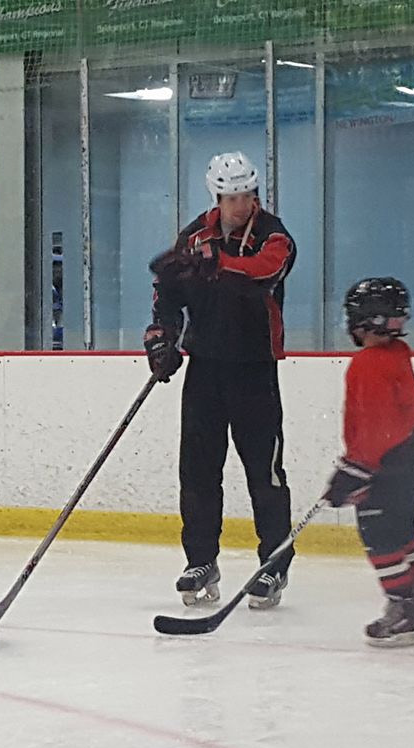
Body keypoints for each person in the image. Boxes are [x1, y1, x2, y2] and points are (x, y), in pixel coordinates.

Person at [144, 151, 297, 608]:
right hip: (205, 368)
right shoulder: (195, 235)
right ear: (217, 195)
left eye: (247, 195)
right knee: (197, 470)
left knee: (263, 474)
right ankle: (201, 559)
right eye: (231, 197)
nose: (239, 205)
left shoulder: (274, 234)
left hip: (254, 369)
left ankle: (273, 564)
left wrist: (219, 263)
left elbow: (267, 270)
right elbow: (167, 292)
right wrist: (161, 337)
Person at [323, 277, 414, 647]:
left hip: (385, 464)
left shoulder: (368, 364)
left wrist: (354, 471)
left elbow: (376, 428)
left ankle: (402, 610)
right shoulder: (397, 354)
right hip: (410, 457)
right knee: (401, 532)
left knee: (380, 537)